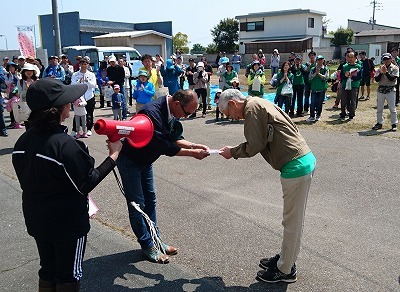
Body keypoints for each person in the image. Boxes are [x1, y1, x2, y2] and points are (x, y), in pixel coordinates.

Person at [12, 78, 122, 292]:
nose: (70, 104)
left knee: (48, 269)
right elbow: (87, 182)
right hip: (67, 223)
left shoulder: (22, 142)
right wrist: (114, 155)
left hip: (36, 217)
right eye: (67, 101)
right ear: (58, 109)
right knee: (68, 274)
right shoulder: (65, 145)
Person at [217, 89, 316, 284]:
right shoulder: (257, 102)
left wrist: (232, 152)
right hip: (300, 160)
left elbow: (255, 145)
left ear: (232, 104)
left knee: (292, 222)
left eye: (229, 114)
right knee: (292, 220)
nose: (232, 118)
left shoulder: (251, 110)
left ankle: (286, 270)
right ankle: (285, 259)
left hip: (295, 166)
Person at [116, 89, 209, 264]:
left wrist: (194, 145)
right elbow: (164, 146)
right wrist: (193, 153)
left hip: (146, 159)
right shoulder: (152, 114)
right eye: (187, 113)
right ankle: (147, 245)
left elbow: (173, 138)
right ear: (176, 103)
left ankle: (155, 239)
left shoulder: (171, 111)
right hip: (130, 161)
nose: (187, 117)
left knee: (150, 200)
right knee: (137, 205)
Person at [371, 53, 399, 131]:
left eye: (388, 59)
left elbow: (392, 79)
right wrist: (381, 72)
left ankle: (394, 124)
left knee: (392, 108)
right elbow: (376, 79)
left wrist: (386, 72)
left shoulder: (395, 68)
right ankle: (379, 122)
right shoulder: (379, 68)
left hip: (390, 89)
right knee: (379, 108)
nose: (386, 61)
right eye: (384, 59)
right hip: (381, 90)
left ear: (391, 59)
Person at [71, 58, 97, 137]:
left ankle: (88, 129)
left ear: (88, 65)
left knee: (89, 114)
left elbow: (94, 85)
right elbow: (72, 85)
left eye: (85, 64)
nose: (83, 66)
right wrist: (79, 81)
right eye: (82, 64)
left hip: (89, 96)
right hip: (78, 98)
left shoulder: (91, 74)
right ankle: (75, 130)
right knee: (77, 114)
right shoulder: (75, 74)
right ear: (79, 65)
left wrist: (87, 81)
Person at [339, 51, 362, 121]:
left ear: (355, 58)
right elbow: (341, 77)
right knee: (343, 100)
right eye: (349, 57)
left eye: (352, 57)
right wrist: (345, 76)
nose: (351, 59)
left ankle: (351, 114)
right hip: (345, 85)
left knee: (353, 100)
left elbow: (360, 77)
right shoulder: (344, 66)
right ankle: (343, 113)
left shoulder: (358, 66)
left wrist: (352, 77)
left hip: (354, 85)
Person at [306, 55, 329, 122]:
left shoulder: (325, 69)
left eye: (321, 60)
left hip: (322, 88)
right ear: (317, 60)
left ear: (323, 60)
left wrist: (318, 74)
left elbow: (326, 77)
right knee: (312, 103)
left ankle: (318, 115)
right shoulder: (313, 69)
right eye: (319, 60)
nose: (320, 61)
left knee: (320, 103)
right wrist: (315, 73)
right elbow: (310, 78)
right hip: (314, 88)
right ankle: (312, 116)